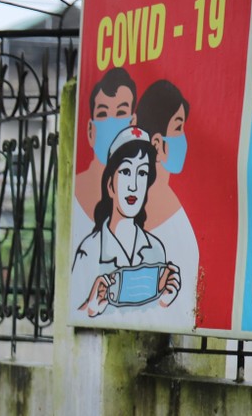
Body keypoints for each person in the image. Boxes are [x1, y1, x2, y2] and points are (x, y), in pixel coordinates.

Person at [72, 126, 180, 319]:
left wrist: (165, 301)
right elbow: (71, 314)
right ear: (110, 184)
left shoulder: (155, 249)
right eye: (126, 171)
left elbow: (154, 319)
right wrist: (91, 308)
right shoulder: (89, 250)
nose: (134, 185)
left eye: (142, 173)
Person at [133, 78, 199, 329]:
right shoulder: (159, 216)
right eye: (178, 128)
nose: (184, 140)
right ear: (157, 144)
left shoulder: (172, 221)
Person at [72, 68, 138, 248]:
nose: (111, 123)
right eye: (102, 114)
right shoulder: (75, 195)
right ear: (90, 131)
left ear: (133, 124)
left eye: (120, 113)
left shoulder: (139, 193)